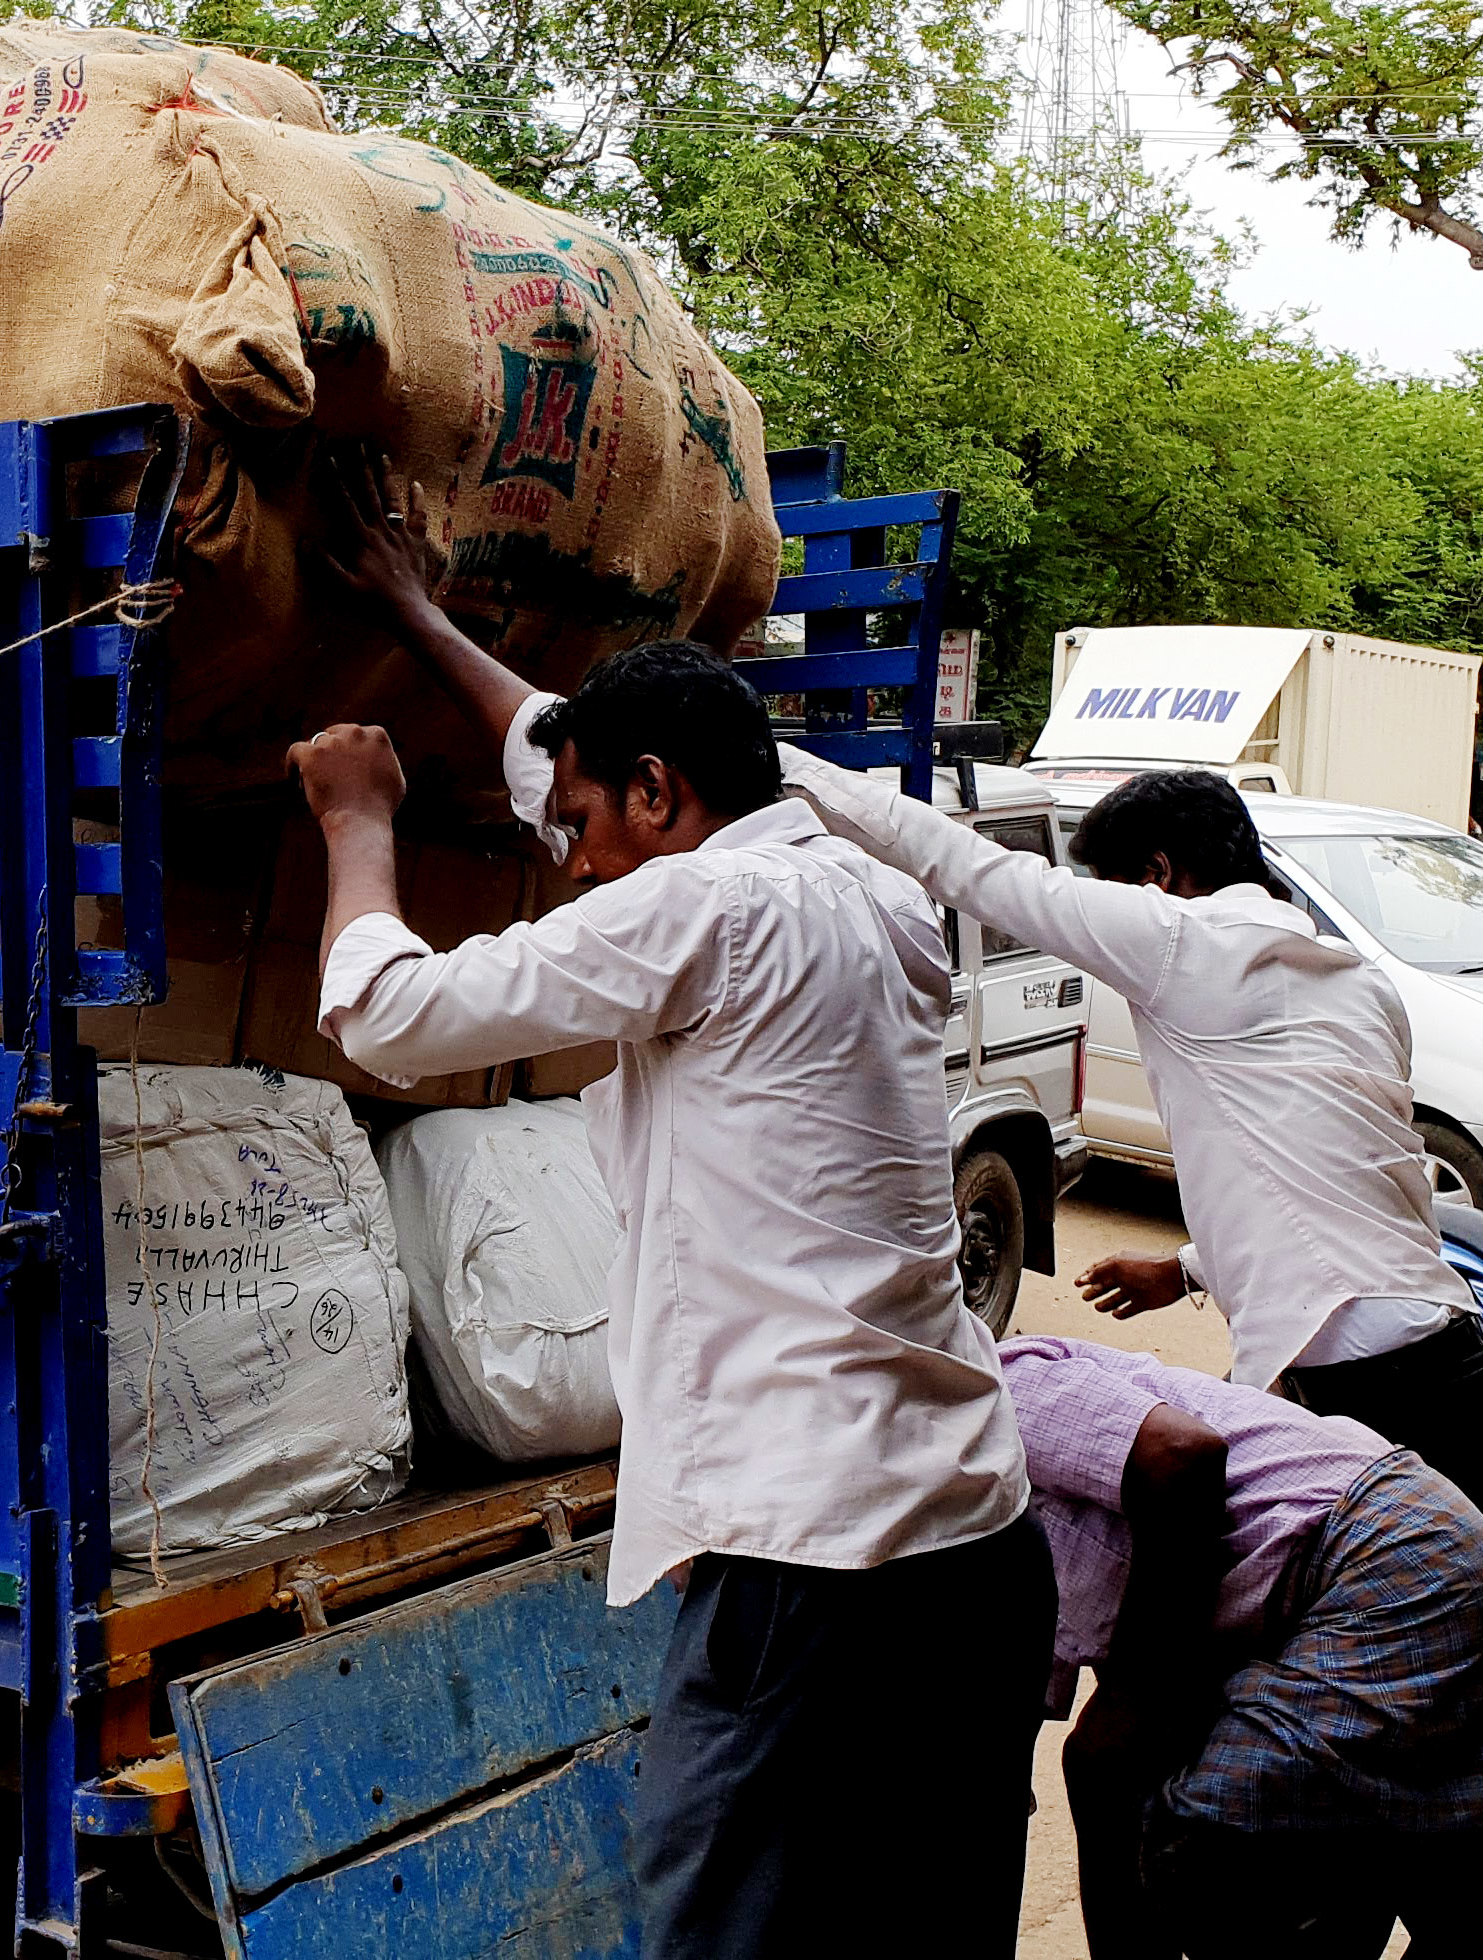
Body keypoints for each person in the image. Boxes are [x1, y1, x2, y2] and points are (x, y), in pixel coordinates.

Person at [300, 448, 1049, 1958]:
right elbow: (559, 755)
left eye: (585, 828)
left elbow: (387, 1016)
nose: (566, 864)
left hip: (816, 1567)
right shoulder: (875, 895)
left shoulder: (695, 904)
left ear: (661, 795)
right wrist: (418, 613)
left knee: (718, 1923)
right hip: (975, 1538)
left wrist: (357, 822)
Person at [781, 756, 1483, 1500]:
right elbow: (1315, 1172)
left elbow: (968, 868)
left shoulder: (1181, 942)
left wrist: (776, 759)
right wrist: (1182, 1270)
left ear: (1157, 874)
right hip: (1438, 1340)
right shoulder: (1357, 981)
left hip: (1361, 1375)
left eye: (1111, 892)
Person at [1003, 1334, 1483, 1957]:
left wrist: (1132, 1699)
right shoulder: (911, 1509)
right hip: (1342, 1587)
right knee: (1117, 1782)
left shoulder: (993, 1386)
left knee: (1208, 1834)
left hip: (1385, 1552)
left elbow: (1181, 1457)